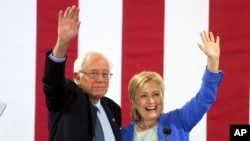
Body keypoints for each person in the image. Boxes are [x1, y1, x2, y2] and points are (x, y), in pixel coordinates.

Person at [121, 31, 224, 141]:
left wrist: (213, 61)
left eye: (156, 94)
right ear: (133, 102)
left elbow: (204, 99)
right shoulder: (122, 135)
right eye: (143, 95)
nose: (151, 100)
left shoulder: (178, 120)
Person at [42, 5, 122, 141]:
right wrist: (62, 42)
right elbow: (52, 80)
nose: (101, 80)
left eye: (105, 74)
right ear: (77, 77)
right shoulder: (65, 98)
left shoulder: (113, 108)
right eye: (94, 73)